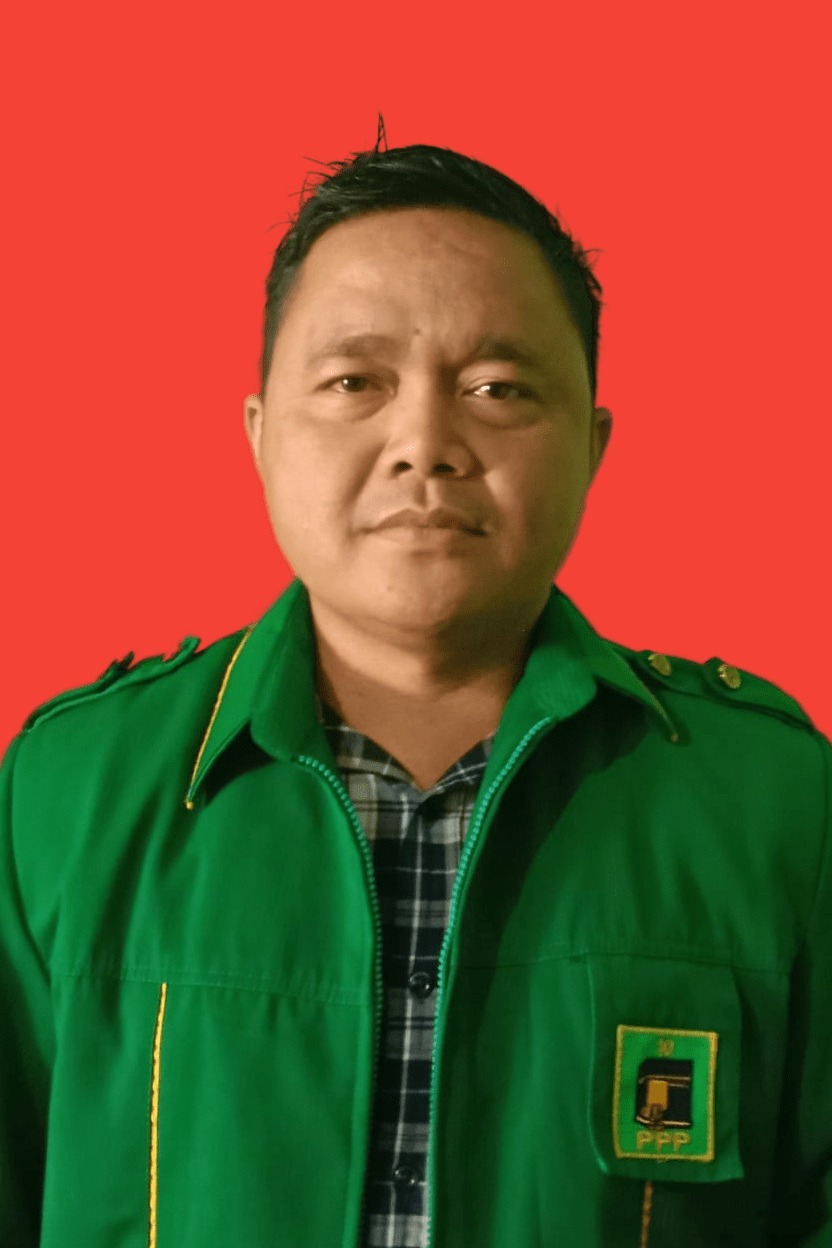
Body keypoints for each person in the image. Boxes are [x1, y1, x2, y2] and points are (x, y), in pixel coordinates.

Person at [1, 114, 830, 1248]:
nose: (424, 442)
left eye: (498, 388)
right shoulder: (66, 795)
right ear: (260, 435)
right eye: (355, 381)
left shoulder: (773, 805)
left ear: (592, 446)